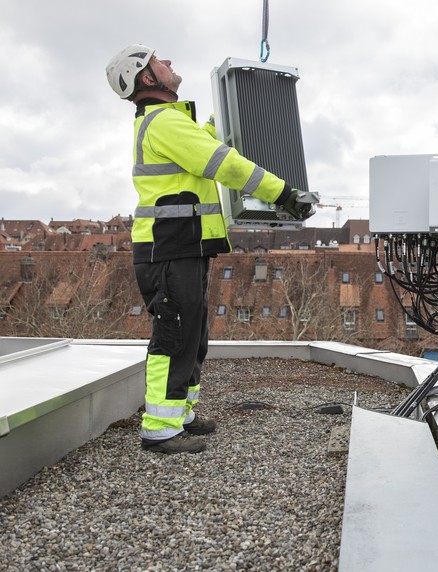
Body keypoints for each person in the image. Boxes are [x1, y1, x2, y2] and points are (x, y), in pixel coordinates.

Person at [105, 45, 313, 454]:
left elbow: (211, 137)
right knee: (174, 334)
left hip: (182, 245)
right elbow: (224, 162)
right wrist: (283, 194)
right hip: (169, 247)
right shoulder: (164, 122)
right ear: (148, 78)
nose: (170, 64)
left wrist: (242, 105)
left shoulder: (171, 122)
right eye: (161, 62)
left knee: (192, 335)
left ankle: (180, 414)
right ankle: (159, 430)